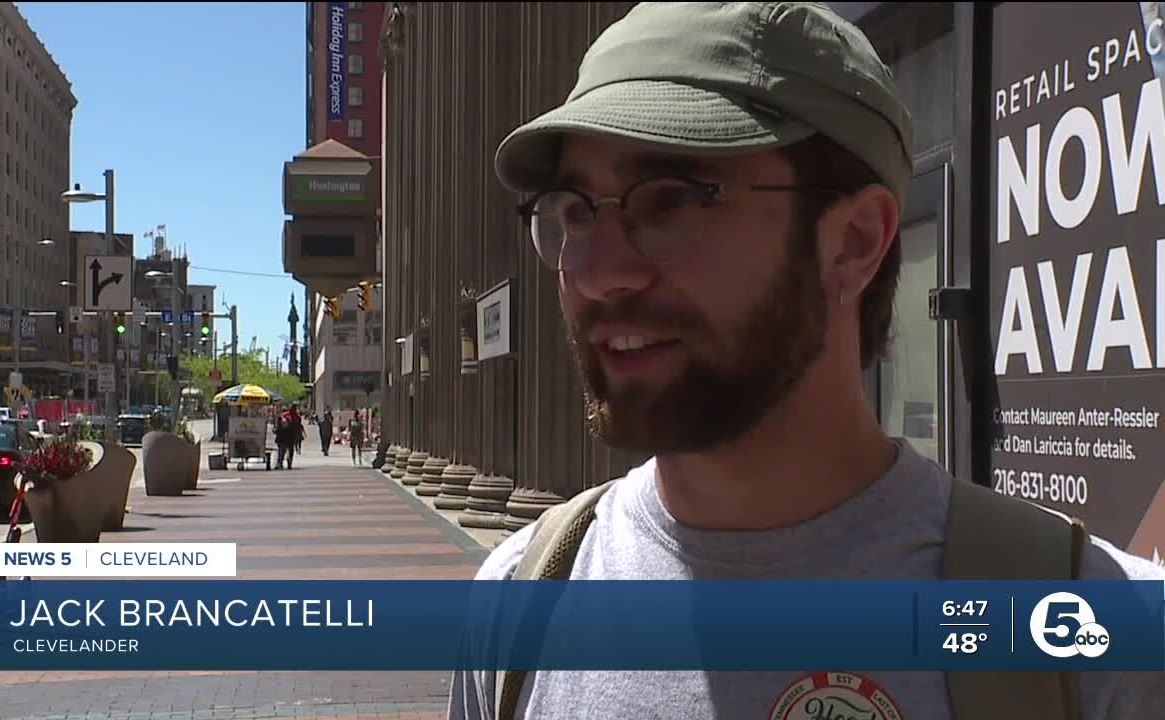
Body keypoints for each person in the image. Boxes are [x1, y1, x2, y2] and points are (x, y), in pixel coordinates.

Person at [447, 3, 1165, 720]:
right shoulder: (520, 600)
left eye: (667, 201)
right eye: (574, 213)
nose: (599, 271)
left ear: (854, 241)